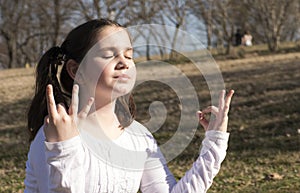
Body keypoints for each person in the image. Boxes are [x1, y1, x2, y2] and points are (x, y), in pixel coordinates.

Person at [24, 18, 234, 193]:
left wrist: (214, 143)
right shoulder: (55, 133)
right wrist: (64, 148)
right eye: (109, 54)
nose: (124, 62)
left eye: (129, 55)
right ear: (75, 69)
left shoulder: (138, 137)